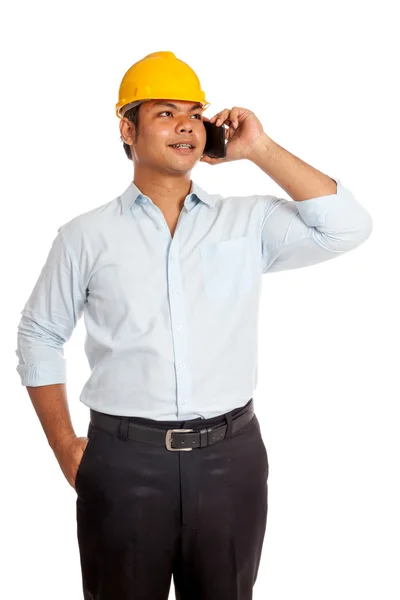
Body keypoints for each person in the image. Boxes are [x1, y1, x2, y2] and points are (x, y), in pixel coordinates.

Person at [15, 50, 373, 600]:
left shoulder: (248, 222)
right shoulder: (84, 237)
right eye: (164, 113)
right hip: (123, 463)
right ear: (127, 129)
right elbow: (39, 335)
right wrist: (66, 446)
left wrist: (257, 148)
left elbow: (347, 227)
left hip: (232, 460)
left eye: (194, 112)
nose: (185, 124)